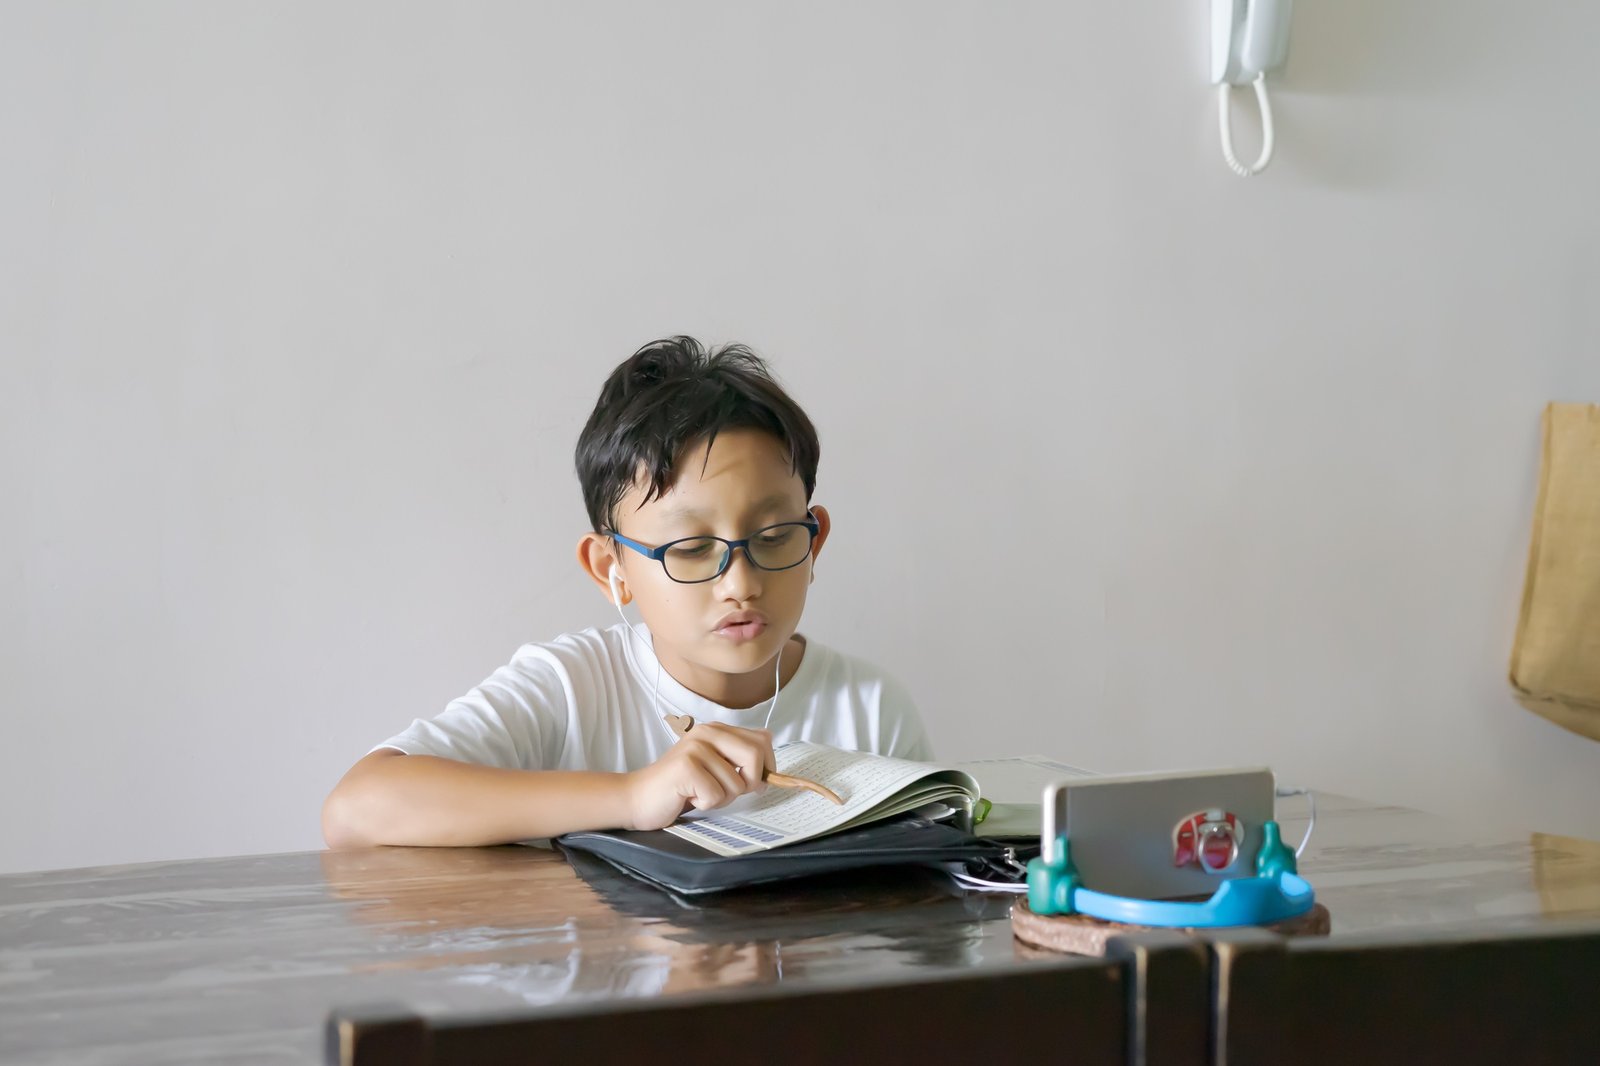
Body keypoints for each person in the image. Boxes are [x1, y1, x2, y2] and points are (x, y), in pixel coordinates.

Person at [322, 336, 931, 848]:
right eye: (691, 550)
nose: (740, 584)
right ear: (610, 567)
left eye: (773, 537)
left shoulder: (871, 708)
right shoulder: (570, 687)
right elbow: (355, 811)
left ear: (814, 541)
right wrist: (632, 794)